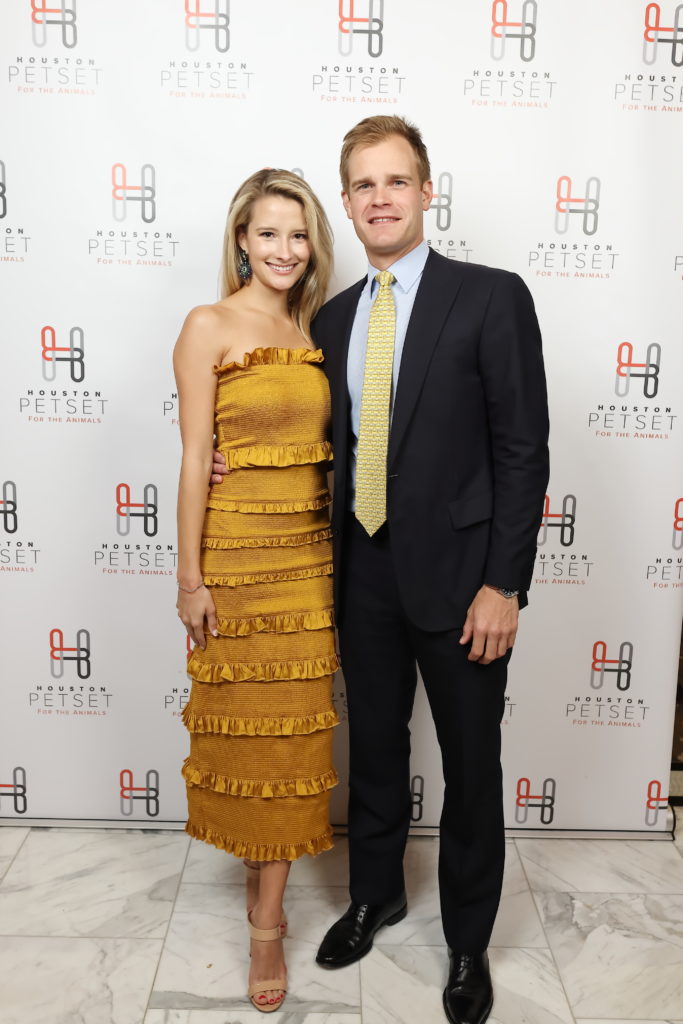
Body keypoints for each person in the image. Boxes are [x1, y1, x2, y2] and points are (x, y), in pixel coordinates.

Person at [212, 116, 550, 1024]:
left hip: (464, 584)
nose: (379, 199)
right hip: (357, 576)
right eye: (361, 186)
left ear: (426, 192)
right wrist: (226, 460)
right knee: (372, 755)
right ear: (347, 204)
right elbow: (305, 438)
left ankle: (469, 944)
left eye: (395, 182)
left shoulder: (490, 296)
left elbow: (523, 451)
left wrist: (504, 583)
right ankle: (376, 895)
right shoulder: (327, 316)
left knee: (472, 765)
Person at [174, 168, 337, 1013]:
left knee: (291, 744)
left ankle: (266, 916)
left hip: (309, 565)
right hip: (234, 561)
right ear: (242, 238)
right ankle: (266, 921)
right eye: (268, 233)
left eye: (298, 234)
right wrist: (189, 578)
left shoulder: (315, 329)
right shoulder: (208, 325)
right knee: (246, 739)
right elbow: (194, 457)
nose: (283, 249)